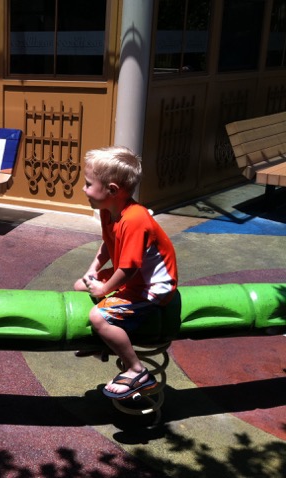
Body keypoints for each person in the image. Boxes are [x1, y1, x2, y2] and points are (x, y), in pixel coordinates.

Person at [73, 146, 178, 400]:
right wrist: (93, 270)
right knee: (80, 285)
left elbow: (129, 269)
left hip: (151, 286)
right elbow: (107, 244)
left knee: (98, 317)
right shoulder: (109, 211)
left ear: (111, 190)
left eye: (88, 184)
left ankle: (137, 371)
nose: (84, 189)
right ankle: (105, 344)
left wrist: (104, 288)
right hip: (132, 275)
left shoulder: (135, 219)